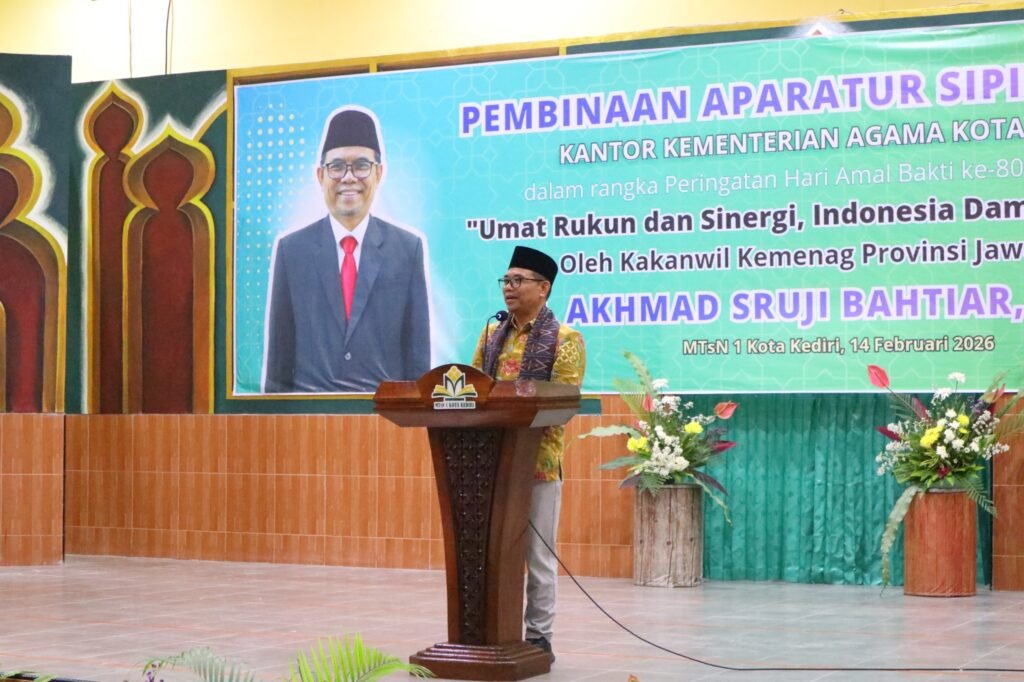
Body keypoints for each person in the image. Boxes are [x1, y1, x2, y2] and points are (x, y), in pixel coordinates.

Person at [470, 245, 586, 662]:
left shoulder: (567, 340)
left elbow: (563, 401)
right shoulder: (491, 335)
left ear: (544, 287)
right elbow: (472, 389)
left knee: (537, 557)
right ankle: (491, 631)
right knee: (492, 554)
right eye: (506, 280)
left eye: (518, 280)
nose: (509, 288)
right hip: (491, 462)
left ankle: (539, 637)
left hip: (537, 465)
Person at [263, 106, 430, 393]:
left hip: (383, 414)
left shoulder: (406, 249)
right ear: (320, 175)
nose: (349, 178)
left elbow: (418, 361)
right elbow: (279, 362)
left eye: (362, 165)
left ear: (379, 173)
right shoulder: (292, 251)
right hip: (309, 414)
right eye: (337, 166)